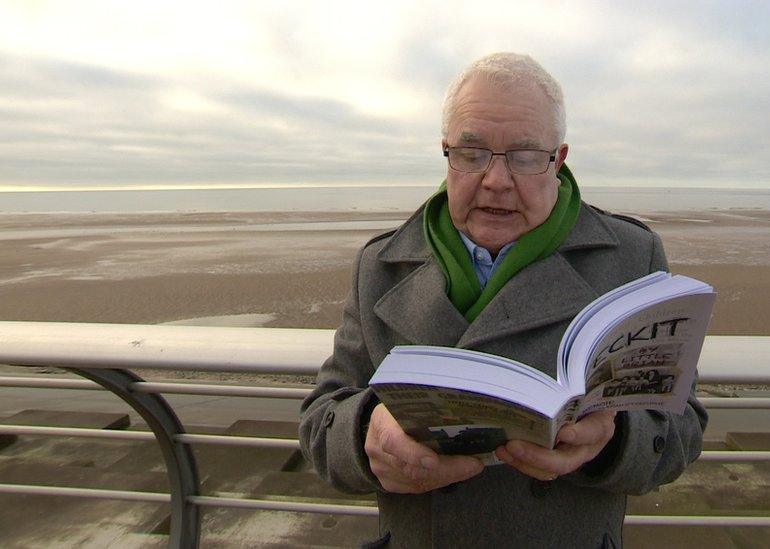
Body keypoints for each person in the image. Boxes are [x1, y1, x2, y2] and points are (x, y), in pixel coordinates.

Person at [299, 52, 706, 549]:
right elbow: (321, 423)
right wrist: (365, 434)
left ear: (558, 159)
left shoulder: (631, 258)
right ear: (446, 152)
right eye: (472, 153)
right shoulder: (380, 266)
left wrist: (612, 442)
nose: (495, 179)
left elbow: (682, 428)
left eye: (526, 155)